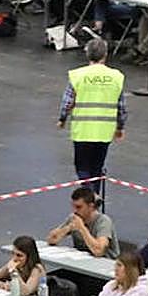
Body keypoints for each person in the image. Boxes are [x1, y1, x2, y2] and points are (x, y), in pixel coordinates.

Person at [57, 39, 125, 196]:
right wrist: (120, 127)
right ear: (105, 55)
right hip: (104, 130)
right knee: (97, 167)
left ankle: (90, 195)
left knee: (82, 167)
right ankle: (95, 197)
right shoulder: (116, 76)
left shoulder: (77, 75)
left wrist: (62, 119)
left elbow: (67, 101)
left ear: (88, 55)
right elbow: (121, 106)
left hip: (83, 129)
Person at [46, 187, 118, 259]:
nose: (74, 210)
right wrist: (68, 228)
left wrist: (82, 228)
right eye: (73, 206)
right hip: (82, 261)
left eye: (79, 207)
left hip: (105, 264)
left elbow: (98, 251)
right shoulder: (75, 218)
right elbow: (51, 240)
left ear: (91, 206)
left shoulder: (103, 221)